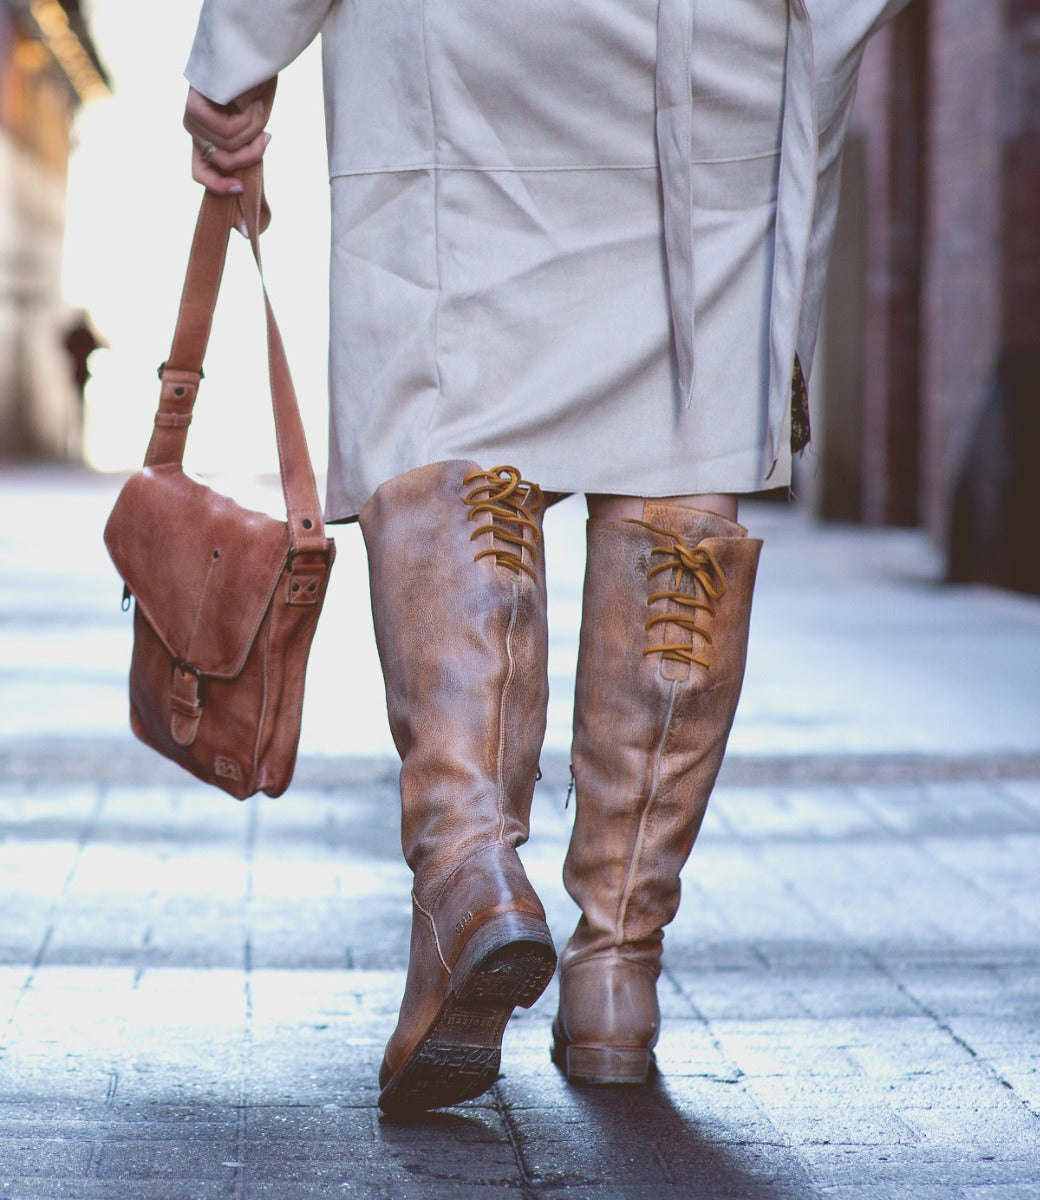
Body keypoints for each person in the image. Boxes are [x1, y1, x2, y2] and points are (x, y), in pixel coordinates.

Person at [182, 0, 913, 1115]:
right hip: (711, 52)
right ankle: (616, 970)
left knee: (451, 437)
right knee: (681, 459)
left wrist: (237, 51)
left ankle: (470, 871)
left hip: (463, 52)